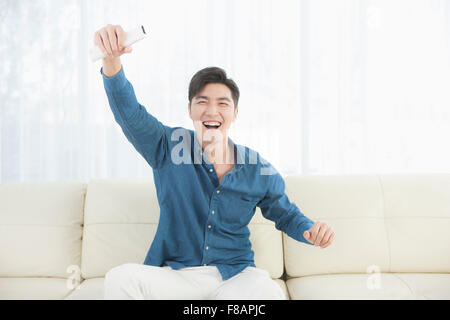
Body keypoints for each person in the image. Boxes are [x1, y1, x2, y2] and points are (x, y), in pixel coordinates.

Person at [95, 24, 335, 300]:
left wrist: (310, 230)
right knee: (121, 279)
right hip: (176, 276)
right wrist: (111, 60)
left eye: (222, 103)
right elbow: (129, 113)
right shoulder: (167, 144)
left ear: (234, 113)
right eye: (202, 102)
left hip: (235, 278)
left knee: (268, 292)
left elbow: (286, 214)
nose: (212, 111)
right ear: (190, 110)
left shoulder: (257, 167)